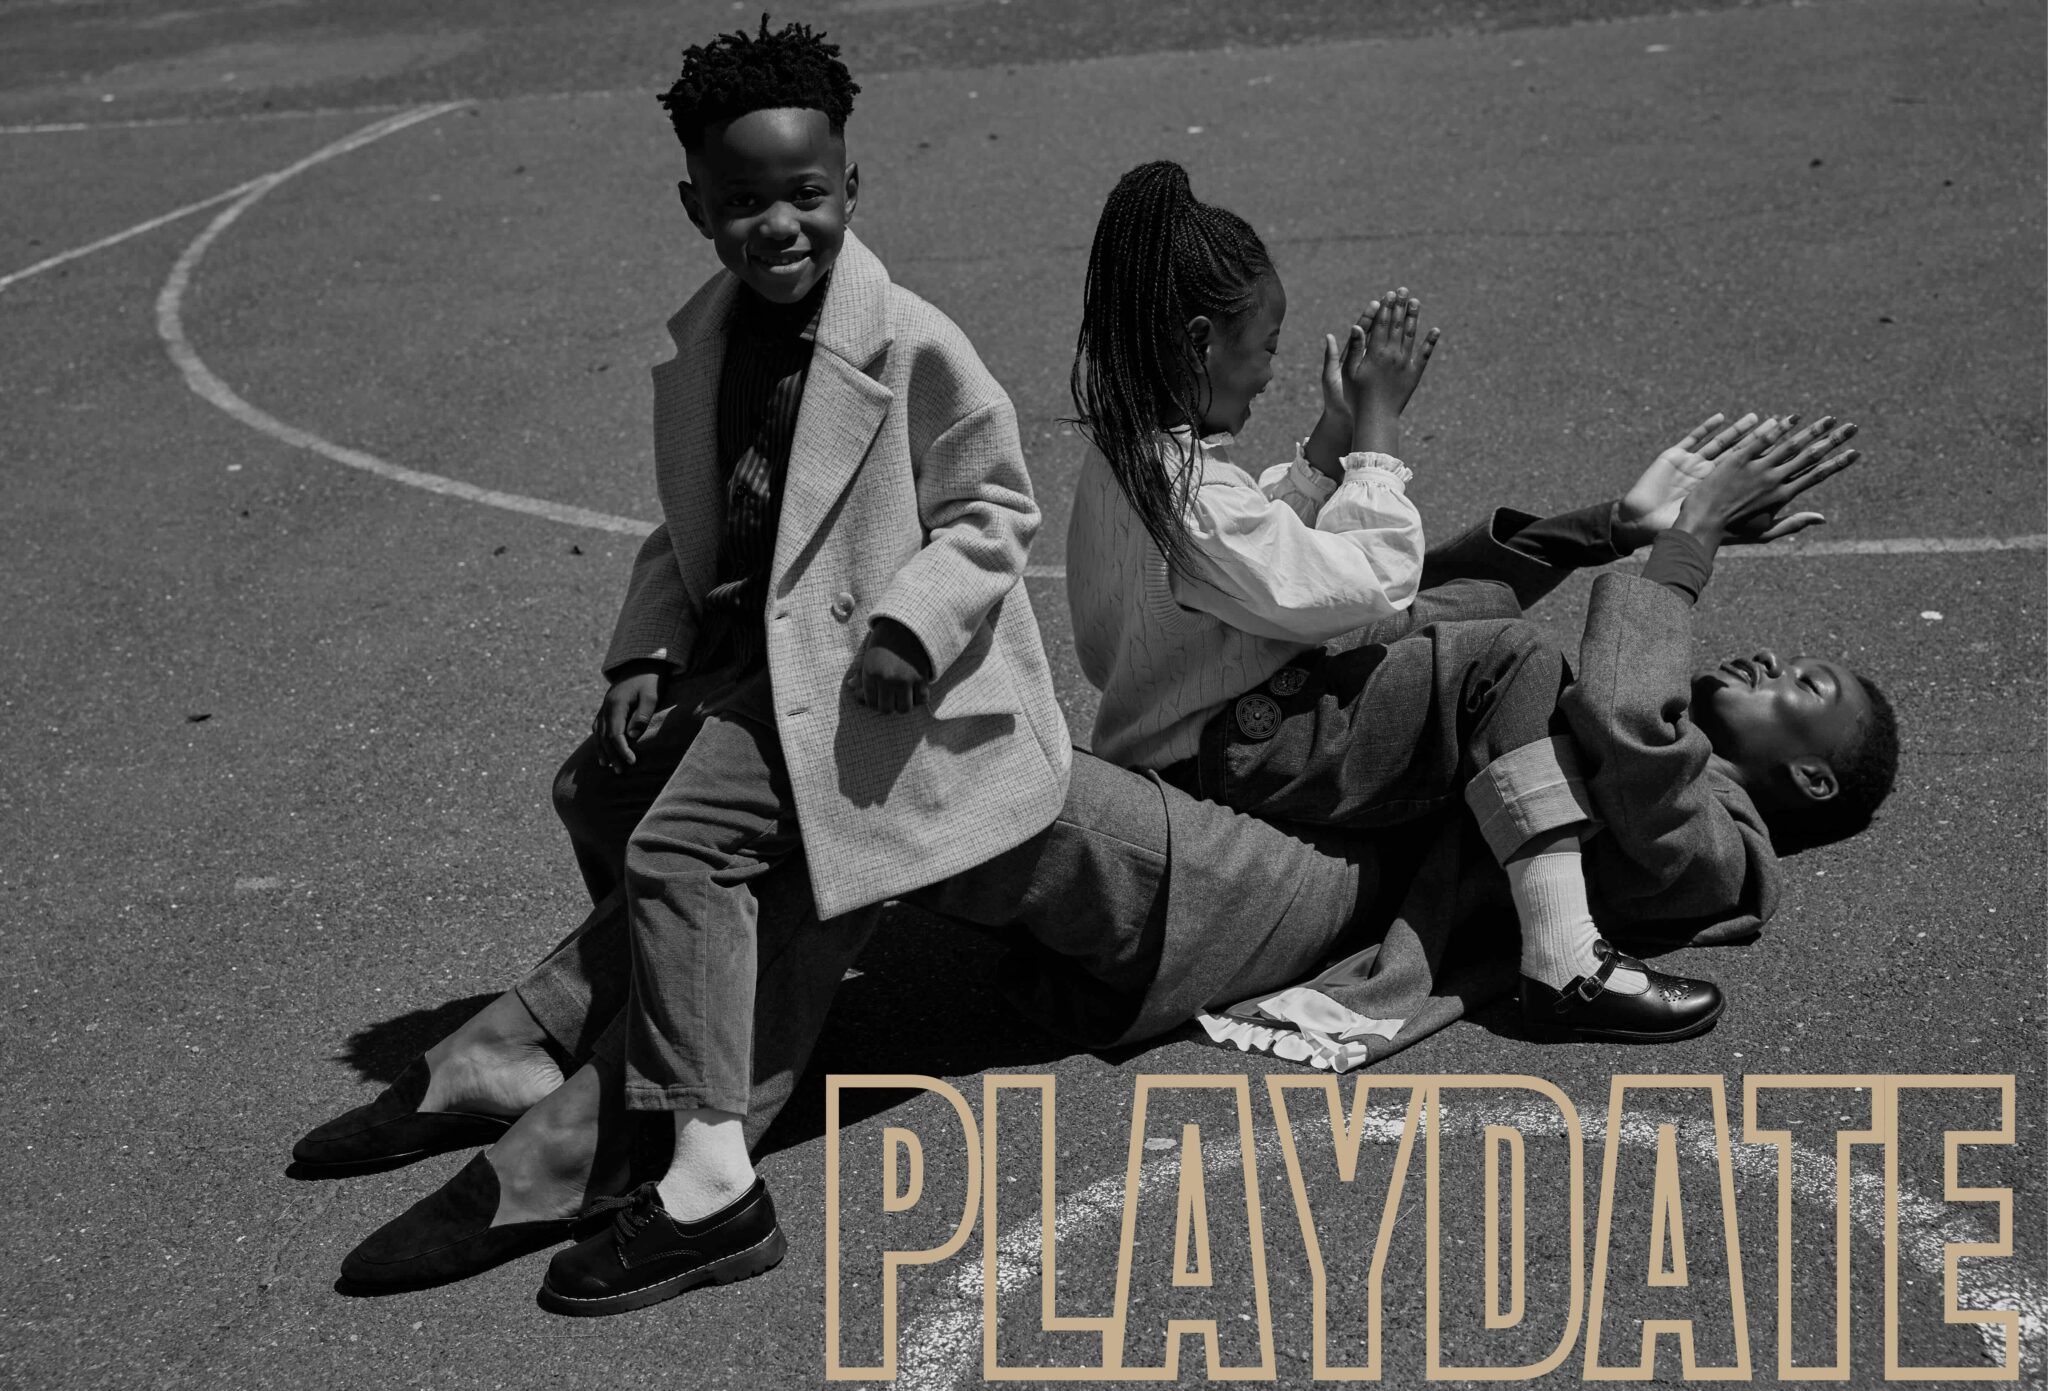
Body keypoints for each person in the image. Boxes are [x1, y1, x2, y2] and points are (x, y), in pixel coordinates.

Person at [292, 416, 1882, 1310]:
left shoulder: (1718, 852)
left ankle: (602, 1114)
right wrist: (1618, 517)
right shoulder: (1600, 711)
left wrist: (1685, 543)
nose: (1780, 654)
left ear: (1801, 778)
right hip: (1251, 809)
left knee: (929, 780)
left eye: (1808, 684)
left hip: (1288, 893)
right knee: (847, 753)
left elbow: (1612, 700)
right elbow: (1412, 615)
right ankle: (551, 1055)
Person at [300, 16, 1074, 1315]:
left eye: (806, 195)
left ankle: (713, 1174)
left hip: (863, 694)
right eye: (741, 202)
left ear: (851, 188)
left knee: (678, 850)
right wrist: (647, 651)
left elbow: (993, 508)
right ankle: (542, 1047)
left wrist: (909, 627)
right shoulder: (712, 338)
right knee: (596, 790)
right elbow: (695, 525)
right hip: (747, 662)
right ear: (694, 205)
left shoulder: (911, 339)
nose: (779, 225)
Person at [1066, 158, 1739, 1040]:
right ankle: (1566, 956)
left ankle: (1553, 913)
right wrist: (1378, 432)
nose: (1271, 369)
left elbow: (1256, 556)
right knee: (1507, 664)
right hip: (1238, 749)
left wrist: (1330, 442)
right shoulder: (1187, 493)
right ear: (1200, 342)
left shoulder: (1134, 459)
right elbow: (1365, 581)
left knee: (1458, 619)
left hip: (1210, 729)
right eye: (1264, 345)